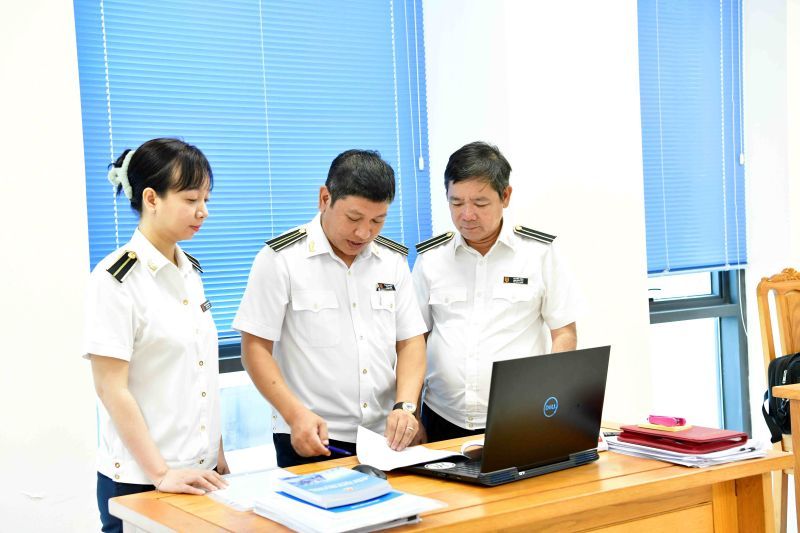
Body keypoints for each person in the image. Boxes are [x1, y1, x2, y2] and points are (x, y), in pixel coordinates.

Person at [234, 149, 427, 467]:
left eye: (377, 221)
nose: (364, 233)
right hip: (312, 436)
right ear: (325, 198)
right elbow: (254, 349)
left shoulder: (392, 261)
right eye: (353, 218)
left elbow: (410, 341)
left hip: (384, 438)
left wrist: (405, 406)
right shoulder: (281, 259)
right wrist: (294, 415)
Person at [83, 138, 228, 533]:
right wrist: (161, 473)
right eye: (191, 199)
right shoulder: (115, 279)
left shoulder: (190, 272)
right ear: (151, 198)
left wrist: (216, 455)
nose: (203, 211)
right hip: (142, 480)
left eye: (206, 199)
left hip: (198, 475)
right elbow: (111, 388)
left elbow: (199, 371)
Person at [412, 141, 581, 442]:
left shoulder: (538, 253)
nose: (467, 215)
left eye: (480, 203)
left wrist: (551, 406)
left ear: (505, 196)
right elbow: (414, 340)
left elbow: (564, 333)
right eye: (456, 203)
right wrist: (411, 412)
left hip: (520, 416)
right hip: (442, 417)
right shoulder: (431, 259)